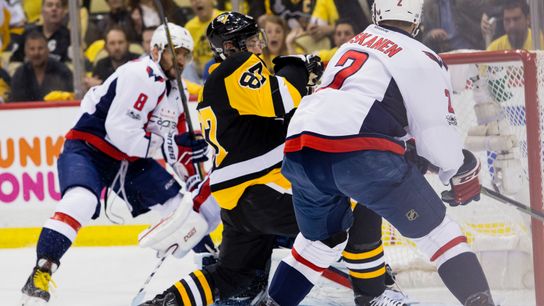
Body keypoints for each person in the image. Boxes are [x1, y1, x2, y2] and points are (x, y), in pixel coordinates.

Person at [141, 12, 411, 306]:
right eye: (250, 41)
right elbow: (282, 97)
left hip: (236, 202)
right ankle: (373, 294)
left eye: (258, 38)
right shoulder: (237, 66)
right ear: (230, 47)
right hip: (262, 191)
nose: (258, 46)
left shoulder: (220, 83)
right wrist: (296, 68)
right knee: (351, 215)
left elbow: (276, 120)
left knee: (232, 275)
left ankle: (162, 302)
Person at [265, 0, 496, 305]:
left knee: (318, 243)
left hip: (300, 148)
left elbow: (359, 109)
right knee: (437, 233)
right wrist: (458, 168)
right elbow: (437, 137)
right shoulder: (421, 55)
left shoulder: (351, 45)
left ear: (376, 13)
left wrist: (411, 151)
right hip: (359, 153)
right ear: (418, 20)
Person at [20, 23, 219, 305]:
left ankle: (215, 268)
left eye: (185, 54)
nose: (182, 60)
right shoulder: (139, 74)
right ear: (157, 50)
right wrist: (170, 144)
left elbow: (176, 144)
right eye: (176, 53)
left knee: (182, 209)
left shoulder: (180, 92)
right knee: (82, 200)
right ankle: (41, 271)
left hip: (129, 161)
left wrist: (191, 174)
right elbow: (121, 132)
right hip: (90, 147)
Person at [9, 30, 73, 102]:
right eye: (32, 49)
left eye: (40, 48)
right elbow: (16, 103)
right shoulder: (20, 74)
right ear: (25, 51)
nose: (36, 53)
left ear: (47, 50)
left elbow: (70, 99)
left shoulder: (62, 71)